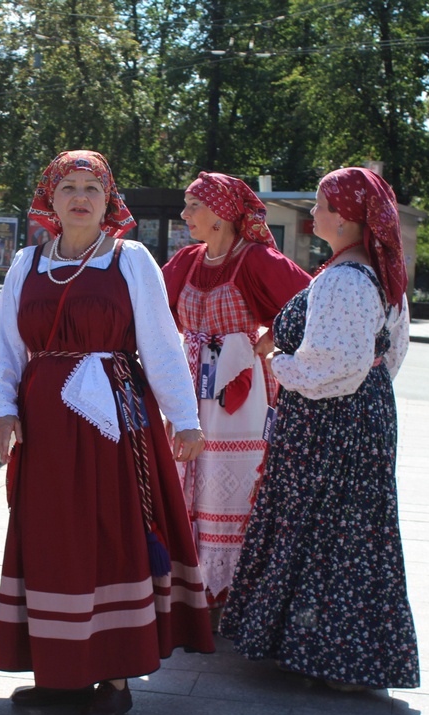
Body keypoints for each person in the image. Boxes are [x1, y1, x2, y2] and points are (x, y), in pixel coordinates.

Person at [0, 151, 215, 715]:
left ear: (108, 199)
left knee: (109, 532)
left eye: (93, 187)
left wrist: (185, 417)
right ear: (51, 199)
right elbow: (11, 348)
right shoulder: (27, 263)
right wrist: (5, 411)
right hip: (46, 422)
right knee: (51, 536)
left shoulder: (130, 259)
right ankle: (60, 670)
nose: (81, 197)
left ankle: (113, 674)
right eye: (69, 187)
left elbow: (161, 343)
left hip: (113, 418)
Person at [219, 166, 418, 691]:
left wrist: (280, 360)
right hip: (358, 416)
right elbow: (386, 356)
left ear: (349, 217)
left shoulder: (346, 280)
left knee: (324, 529)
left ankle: (330, 656)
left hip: (329, 422)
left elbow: (331, 367)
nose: (314, 213)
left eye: (323, 205)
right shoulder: (375, 272)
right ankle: (334, 651)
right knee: (348, 532)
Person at [161, 173, 311, 622]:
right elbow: (147, 307)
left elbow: (313, 304)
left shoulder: (257, 260)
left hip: (240, 394)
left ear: (221, 213)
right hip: (191, 391)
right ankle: (194, 584)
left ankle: (236, 591)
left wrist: (270, 340)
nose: (184, 215)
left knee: (234, 483)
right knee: (188, 475)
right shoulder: (187, 261)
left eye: (193, 206)